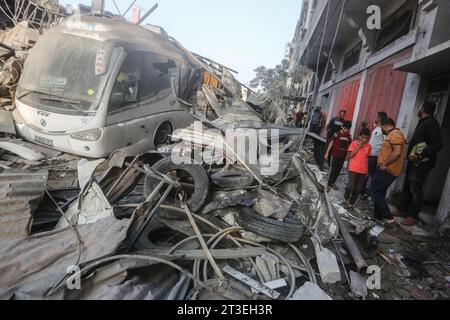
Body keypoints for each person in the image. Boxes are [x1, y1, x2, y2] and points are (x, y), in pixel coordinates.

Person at [394, 102, 443, 226]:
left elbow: (437, 143)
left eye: (420, 107)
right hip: (413, 161)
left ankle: (413, 215)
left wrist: (422, 154)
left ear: (424, 109)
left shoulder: (431, 123)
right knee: (407, 185)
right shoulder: (422, 122)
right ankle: (403, 209)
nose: (419, 109)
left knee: (415, 188)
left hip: (421, 163)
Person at [370, 118, 406, 226]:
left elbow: (397, 152)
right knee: (379, 192)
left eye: (382, 128)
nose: (382, 130)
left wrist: (384, 163)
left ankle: (388, 218)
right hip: (384, 168)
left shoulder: (395, 134)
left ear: (385, 126)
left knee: (375, 191)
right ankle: (377, 217)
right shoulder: (393, 134)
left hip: (388, 170)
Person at [361, 112, 388, 199]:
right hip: (370, 154)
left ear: (380, 118)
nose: (375, 117)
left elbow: (385, 142)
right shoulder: (377, 128)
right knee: (367, 173)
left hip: (375, 156)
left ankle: (369, 192)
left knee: (372, 175)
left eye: (377, 116)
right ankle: (363, 190)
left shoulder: (383, 130)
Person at [345, 128, 372, 208]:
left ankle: (351, 203)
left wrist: (367, 170)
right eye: (363, 137)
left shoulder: (369, 146)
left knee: (357, 189)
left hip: (362, 170)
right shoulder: (354, 143)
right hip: (353, 168)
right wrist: (359, 147)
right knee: (350, 186)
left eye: (367, 138)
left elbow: (367, 159)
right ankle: (346, 196)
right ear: (359, 136)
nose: (365, 140)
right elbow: (351, 156)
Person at [325, 120, 353, 192]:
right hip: (335, 155)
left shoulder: (349, 137)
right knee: (333, 169)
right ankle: (329, 184)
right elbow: (331, 143)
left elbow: (350, 147)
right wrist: (327, 153)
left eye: (347, 129)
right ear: (342, 127)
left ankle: (333, 183)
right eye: (344, 128)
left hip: (343, 156)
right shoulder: (336, 134)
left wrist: (348, 155)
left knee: (338, 170)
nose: (346, 130)